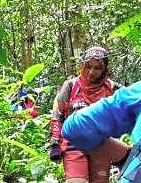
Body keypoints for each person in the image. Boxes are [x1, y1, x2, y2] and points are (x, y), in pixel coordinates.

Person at [50, 47, 129, 183]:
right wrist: (55, 144)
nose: (91, 72)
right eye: (88, 66)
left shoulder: (112, 88)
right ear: (83, 66)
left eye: (97, 68)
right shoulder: (70, 86)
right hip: (73, 145)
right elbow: (58, 114)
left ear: (104, 69)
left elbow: (131, 104)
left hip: (101, 145)